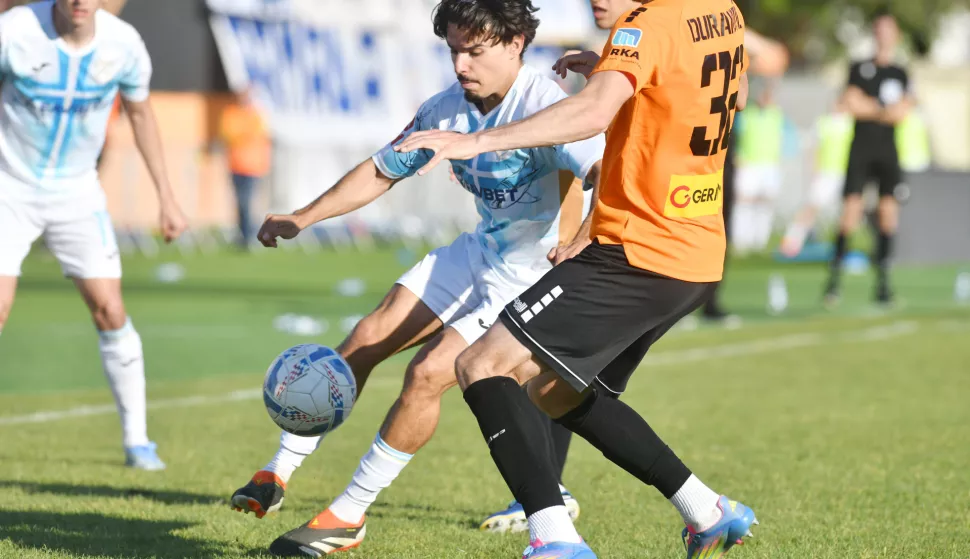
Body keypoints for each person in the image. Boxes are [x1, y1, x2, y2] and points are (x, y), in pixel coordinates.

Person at [230, 1, 606, 555]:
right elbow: (381, 169)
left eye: (475, 51)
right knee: (366, 336)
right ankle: (277, 471)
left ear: (516, 43)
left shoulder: (548, 107)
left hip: (529, 277)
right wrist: (304, 216)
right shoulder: (445, 109)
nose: (461, 64)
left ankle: (349, 514)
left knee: (428, 372)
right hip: (480, 252)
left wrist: (582, 241)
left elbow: (605, 172)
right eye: (454, 49)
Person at [397, 0, 755, 557]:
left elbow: (590, 117)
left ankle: (554, 538)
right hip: (696, 253)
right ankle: (708, 511)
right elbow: (731, 94)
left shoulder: (647, 26)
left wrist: (474, 141)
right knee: (554, 389)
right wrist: (623, 72)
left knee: (481, 364)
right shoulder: (720, 11)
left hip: (639, 250)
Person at [0, 0, 187, 469]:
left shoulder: (124, 45)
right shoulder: (15, 32)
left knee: (110, 309)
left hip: (77, 194)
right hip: (8, 188)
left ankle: (138, 441)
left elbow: (142, 116)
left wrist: (167, 195)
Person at [824, 8, 913, 307]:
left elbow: (902, 112)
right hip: (860, 148)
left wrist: (870, 106)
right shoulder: (858, 67)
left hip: (888, 152)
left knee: (888, 215)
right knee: (850, 213)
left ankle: (884, 285)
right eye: (879, 29)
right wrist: (881, 109)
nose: (883, 35)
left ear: (895, 34)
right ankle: (833, 283)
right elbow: (849, 103)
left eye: (889, 30)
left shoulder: (901, 72)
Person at [780, 97, 854, 258]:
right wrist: (813, 171)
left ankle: (843, 245)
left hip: (847, 173)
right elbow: (813, 149)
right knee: (811, 207)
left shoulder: (852, 123)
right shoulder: (824, 123)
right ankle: (792, 242)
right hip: (827, 172)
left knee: (849, 210)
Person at [731, 77, 797, 253]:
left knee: (765, 203)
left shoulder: (777, 115)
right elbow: (736, 136)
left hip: (770, 165)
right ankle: (741, 242)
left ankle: (759, 241)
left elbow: (790, 139)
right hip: (749, 163)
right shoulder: (747, 114)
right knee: (744, 202)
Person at [220, 88, 272, 249]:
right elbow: (228, 134)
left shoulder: (256, 113)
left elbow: (258, 133)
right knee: (240, 203)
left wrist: (242, 134)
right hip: (236, 165)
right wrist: (244, 134)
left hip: (253, 167)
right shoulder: (231, 113)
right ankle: (243, 235)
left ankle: (250, 235)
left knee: (248, 202)